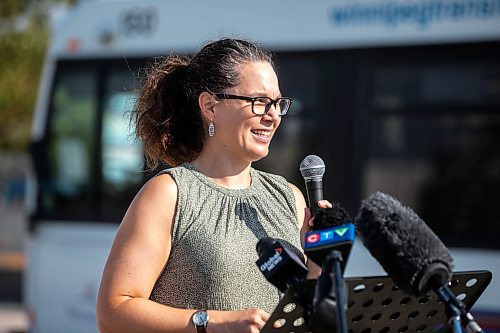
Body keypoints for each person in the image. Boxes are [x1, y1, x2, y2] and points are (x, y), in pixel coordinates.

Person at [96, 37, 331, 333]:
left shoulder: (289, 197)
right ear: (210, 105)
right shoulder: (170, 193)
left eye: (278, 104)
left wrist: (322, 262)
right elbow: (113, 312)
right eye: (260, 102)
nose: (272, 116)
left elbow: (306, 313)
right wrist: (215, 322)